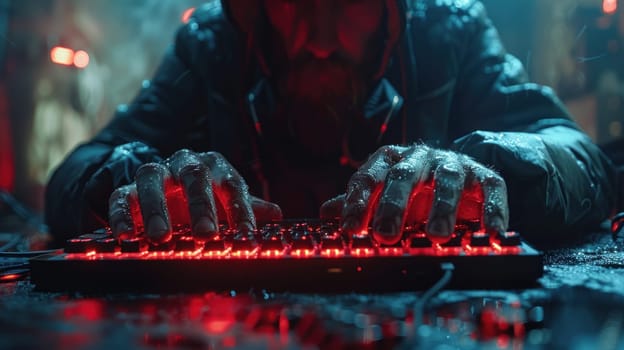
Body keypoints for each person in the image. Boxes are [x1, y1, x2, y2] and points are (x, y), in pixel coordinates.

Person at [45, 0, 617, 247]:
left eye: (347, 2)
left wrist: (482, 165)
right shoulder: (212, 43)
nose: (318, 40)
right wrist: (126, 183)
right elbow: (78, 172)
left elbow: (577, 154)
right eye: (295, 1)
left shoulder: (449, 29)